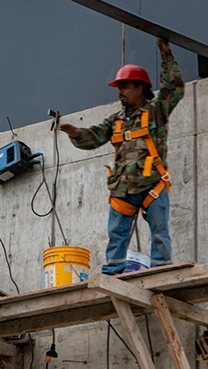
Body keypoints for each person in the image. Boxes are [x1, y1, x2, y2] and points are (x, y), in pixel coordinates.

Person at [59, 38, 184, 274]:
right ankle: (112, 274)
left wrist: (166, 55)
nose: (120, 92)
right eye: (119, 87)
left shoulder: (156, 112)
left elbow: (174, 88)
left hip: (152, 185)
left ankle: (161, 272)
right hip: (123, 189)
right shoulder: (116, 120)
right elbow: (95, 137)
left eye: (125, 86)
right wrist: (76, 134)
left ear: (140, 88)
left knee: (160, 231)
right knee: (116, 233)